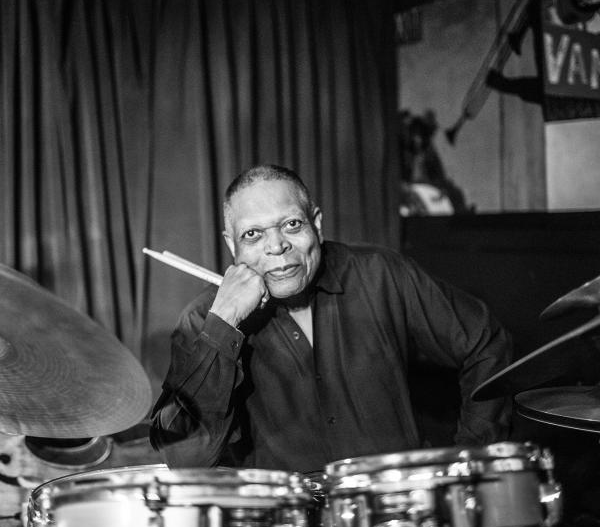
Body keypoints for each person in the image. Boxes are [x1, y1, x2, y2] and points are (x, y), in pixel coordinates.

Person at [150, 164, 512, 473]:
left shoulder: (381, 275)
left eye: (291, 224)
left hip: (396, 513)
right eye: (253, 234)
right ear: (233, 245)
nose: (276, 246)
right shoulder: (203, 320)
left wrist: (474, 455)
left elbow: (486, 342)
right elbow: (186, 458)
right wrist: (224, 323)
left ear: (317, 225)